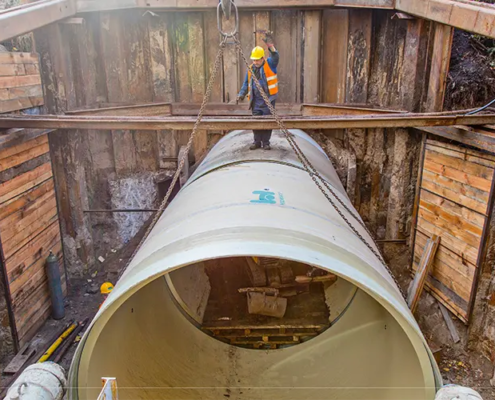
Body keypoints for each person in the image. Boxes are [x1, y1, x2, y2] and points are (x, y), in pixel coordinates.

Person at [237, 33, 279, 150]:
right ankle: (257, 142)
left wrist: (270, 46)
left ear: (262, 58)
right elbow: (246, 84)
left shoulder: (270, 64)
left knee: (267, 121)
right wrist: (241, 94)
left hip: (268, 101)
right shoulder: (251, 69)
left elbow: (276, 56)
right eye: (253, 60)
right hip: (255, 101)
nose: (255, 62)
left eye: (257, 60)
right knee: (256, 122)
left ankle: (266, 142)